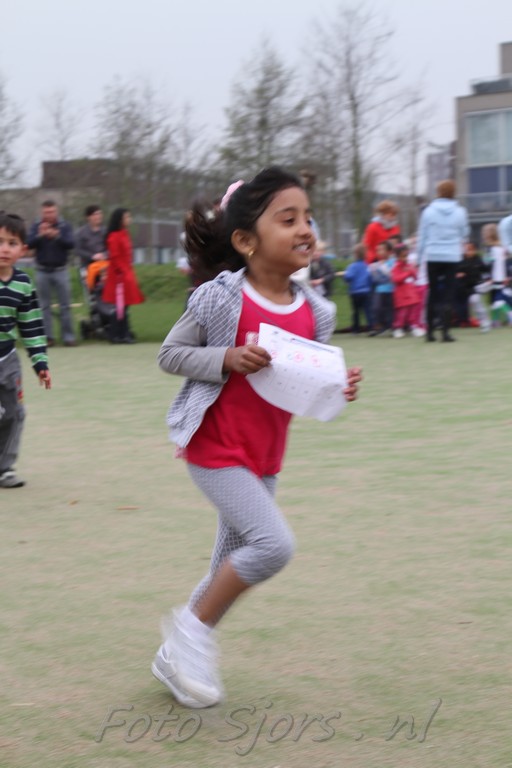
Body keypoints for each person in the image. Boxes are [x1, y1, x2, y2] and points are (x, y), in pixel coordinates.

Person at [153, 166, 362, 708]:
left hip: (265, 457)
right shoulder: (220, 299)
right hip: (215, 449)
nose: (305, 229)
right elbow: (170, 355)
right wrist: (225, 358)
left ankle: (174, 656)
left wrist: (337, 385)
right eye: (287, 219)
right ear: (246, 241)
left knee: (226, 565)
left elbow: (303, 382)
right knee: (273, 546)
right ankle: (189, 635)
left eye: (308, 218)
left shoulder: (316, 312)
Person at [0, 212, 51, 488]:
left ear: (23, 249)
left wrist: (40, 363)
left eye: (12, 243)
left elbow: (31, 327)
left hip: (8, 360)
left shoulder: (23, 284)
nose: (4, 249)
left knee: (15, 413)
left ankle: (4, 468)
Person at [417, 180, 469, 342]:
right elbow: (465, 233)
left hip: (433, 255)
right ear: (454, 192)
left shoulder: (428, 211)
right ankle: (446, 333)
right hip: (452, 256)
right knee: (448, 294)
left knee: (432, 292)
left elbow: (422, 236)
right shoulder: (460, 212)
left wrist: (418, 258)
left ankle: (430, 332)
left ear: (438, 192)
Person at [27, 200, 76, 347]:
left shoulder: (64, 226)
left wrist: (57, 236)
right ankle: (48, 337)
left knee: (65, 305)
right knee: (44, 306)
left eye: (51, 212)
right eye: (46, 212)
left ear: (56, 211)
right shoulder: (36, 226)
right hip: (42, 270)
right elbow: (28, 243)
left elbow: (71, 244)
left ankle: (68, 337)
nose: (49, 215)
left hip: (61, 270)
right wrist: (40, 235)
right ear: (42, 213)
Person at [101, 208, 144, 343]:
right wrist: (124, 271)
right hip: (119, 275)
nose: (129, 220)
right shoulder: (114, 236)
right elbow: (115, 257)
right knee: (120, 306)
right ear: (120, 220)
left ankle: (122, 333)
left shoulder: (124, 234)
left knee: (124, 306)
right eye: (127, 217)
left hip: (126, 272)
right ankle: (118, 334)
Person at [455, 241, 491, 332]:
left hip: (477, 285)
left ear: (474, 250)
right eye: (467, 250)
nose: (469, 252)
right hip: (465, 286)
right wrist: (458, 274)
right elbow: (455, 272)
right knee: (476, 303)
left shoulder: (478, 259)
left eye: (471, 250)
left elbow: (485, 270)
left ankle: (484, 321)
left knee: (475, 300)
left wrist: (488, 278)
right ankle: (483, 320)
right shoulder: (460, 261)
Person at [481, 223, 512, 326]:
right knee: (495, 300)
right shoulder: (502, 248)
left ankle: (508, 316)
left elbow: (489, 264)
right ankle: (495, 320)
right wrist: (507, 276)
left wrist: (488, 277)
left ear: (488, 235)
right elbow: (506, 264)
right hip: (502, 278)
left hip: (495, 279)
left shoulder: (489, 249)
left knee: (497, 301)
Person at [391, 243, 421, 338]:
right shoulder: (396, 267)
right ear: (397, 256)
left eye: (406, 256)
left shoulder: (409, 265)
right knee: (402, 313)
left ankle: (414, 326)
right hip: (401, 294)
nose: (405, 258)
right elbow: (395, 279)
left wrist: (413, 271)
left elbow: (416, 277)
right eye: (403, 256)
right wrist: (407, 273)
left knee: (413, 311)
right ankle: (398, 328)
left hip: (411, 292)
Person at [342, 243, 373, 333]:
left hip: (355, 292)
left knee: (356, 311)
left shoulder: (352, 266)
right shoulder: (366, 266)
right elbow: (370, 278)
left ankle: (356, 328)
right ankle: (370, 326)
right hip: (366, 291)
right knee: (367, 310)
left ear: (355, 254)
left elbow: (349, 277)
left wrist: (345, 277)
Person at [368, 240, 395, 336]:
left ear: (389, 251)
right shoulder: (375, 265)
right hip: (379, 290)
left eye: (382, 249)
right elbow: (375, 278)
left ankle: (390, 327)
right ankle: (381, 327)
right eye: (378, 250)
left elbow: (391, 276)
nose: (380, 252)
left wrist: (381, 273)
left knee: (389, 310)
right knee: (377, 308)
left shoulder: (393, 262)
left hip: (390, 290)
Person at [74, 205, 106, 270]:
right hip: (87, 267)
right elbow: (78, 250)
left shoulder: (106, 231)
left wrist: (104, 255)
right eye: (95, 214)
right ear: (88, 217)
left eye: (100, 214)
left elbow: (111, 247)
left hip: (104, 266)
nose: (98, 216)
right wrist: (92, 256)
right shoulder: (81, 233)